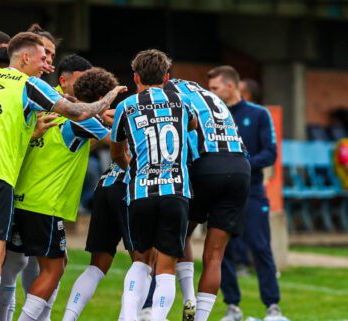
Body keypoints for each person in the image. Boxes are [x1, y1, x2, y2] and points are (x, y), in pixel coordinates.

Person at [0, 31, 126, 321]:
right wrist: (109, 100)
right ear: (25, 57)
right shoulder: (30, 86)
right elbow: (82, 115)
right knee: (25, 261)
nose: (47, 65)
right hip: (9, 183)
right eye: (44, 58)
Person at [6, 67, 115, 321]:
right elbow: (116, 141)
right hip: (45, 204)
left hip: (22, 199)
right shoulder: (83, 120)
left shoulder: (47, 112)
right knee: (52, 269)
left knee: (56, 261)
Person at [110, 49, 197, 321]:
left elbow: (115, 151)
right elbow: (192, 125)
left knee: (140, 262)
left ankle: (128, 315)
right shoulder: (181, 101)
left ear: (136, 77)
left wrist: (134, 170)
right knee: (167, 267)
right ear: (167, 77)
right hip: (176, 192)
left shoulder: (127, 105)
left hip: (141, 192)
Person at [164, 78, 250, 321]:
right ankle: (200, 318)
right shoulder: (211, 96)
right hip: (240, 166)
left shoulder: (168, 93)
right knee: (215, 256)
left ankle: (188, 296)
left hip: (206, 163)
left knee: (181, 234)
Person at [207, 65, 288, 321]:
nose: (211, 93)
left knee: (261, 249)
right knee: (222, 253)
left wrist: (240, 164)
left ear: (230, 86)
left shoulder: (259, 114)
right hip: (221, 196)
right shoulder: (211, 116)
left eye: (214, 88)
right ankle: (232, 307)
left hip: (252, 192)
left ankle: (272, 308)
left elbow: (270, 153)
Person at [61, 69, 133, 321]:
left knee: (96, 266)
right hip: (127, 187)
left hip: (105, 188)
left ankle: (68, 317)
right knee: (144, 265)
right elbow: (119, 151)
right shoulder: (100, 118)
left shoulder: (62, 109)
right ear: (104, 96)